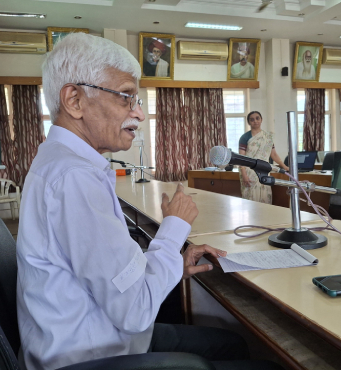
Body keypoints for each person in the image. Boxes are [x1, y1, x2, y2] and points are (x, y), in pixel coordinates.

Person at [16, 33, 283, 370]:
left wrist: (173, 264)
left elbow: (102, 266)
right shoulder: (73, 178)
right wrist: (174, 227)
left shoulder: (60, 161)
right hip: (97, 355)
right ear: (74, 100)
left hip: (100, 335)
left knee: (231, 343)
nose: (139, 114)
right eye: (127, 97)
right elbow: (135, 309)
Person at [239, 111, 289, 204]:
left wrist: (285, 167)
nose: (255, 121)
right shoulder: (245, 137)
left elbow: (273, 154)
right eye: (252, 119)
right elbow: (241, 158)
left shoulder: (268, 137)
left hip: (264, 170)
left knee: (265, 198)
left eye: (257, 118)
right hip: (249, 172)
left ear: (261, 120)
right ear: (249, 122)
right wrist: (244, 175)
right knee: (251, 199)